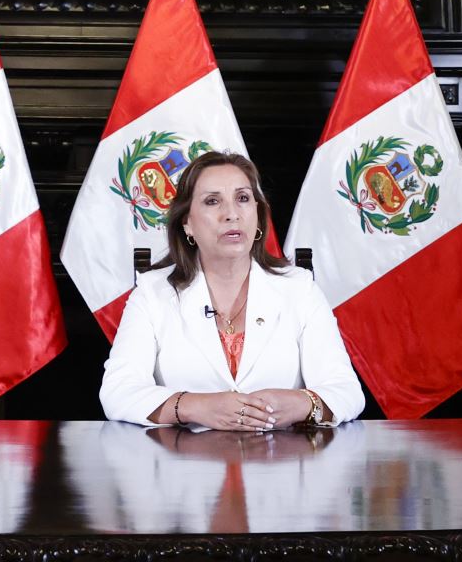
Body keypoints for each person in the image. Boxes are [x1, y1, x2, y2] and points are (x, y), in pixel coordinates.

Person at [99, 150, 365, 430]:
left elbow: (346, 392)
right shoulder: (152, 293)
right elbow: (118, 392)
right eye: (212, 201)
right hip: (184, 467)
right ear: (186, 223)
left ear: (258, 215)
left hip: (278, 465)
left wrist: (302, 403)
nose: (232, 214)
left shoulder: (299, 288)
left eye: (243, 199)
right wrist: (196, 406)